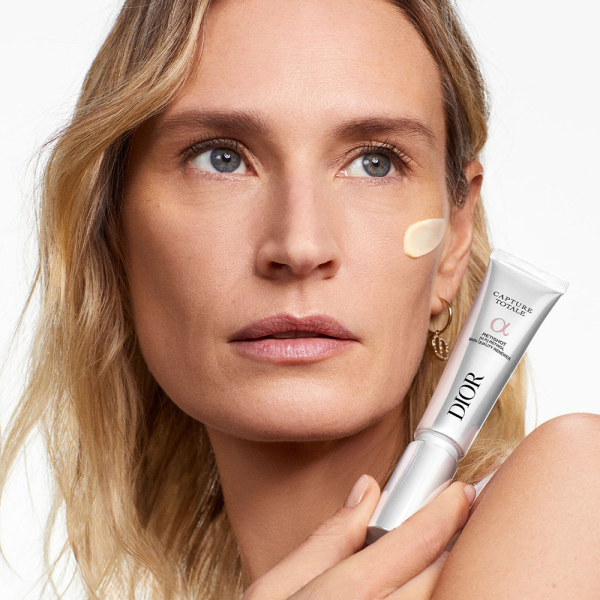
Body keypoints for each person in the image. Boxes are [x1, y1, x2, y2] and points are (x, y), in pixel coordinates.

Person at [1, 0, 599, 598]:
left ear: (453, 242)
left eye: (375, 163)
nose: (300, 246)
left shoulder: (577, 493)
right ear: (113, 233)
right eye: (221, 158)